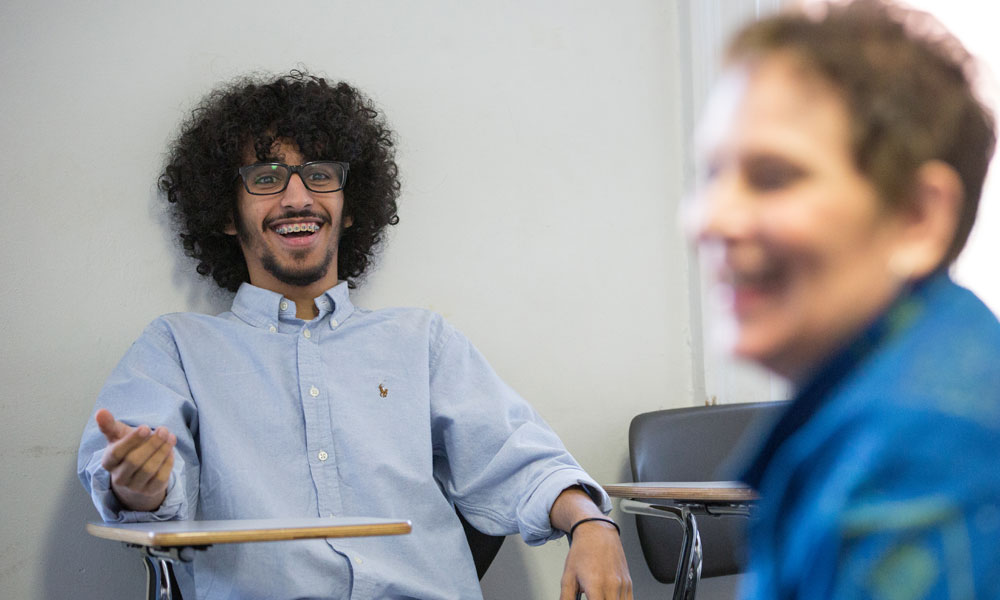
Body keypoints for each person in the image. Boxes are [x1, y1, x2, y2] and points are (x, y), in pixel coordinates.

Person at [77, 71, 631, 600]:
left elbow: (518, 459)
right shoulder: (176, 349)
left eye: (319, 175)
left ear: (347, 207)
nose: (298, 198)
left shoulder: (422, 341)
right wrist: (140, 486)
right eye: (266, 178)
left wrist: (592, 524)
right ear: (227, 213)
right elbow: (135, 481)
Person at [688, 1, 1000, 598]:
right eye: (709, 175)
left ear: (917, 216)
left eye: (773, 176)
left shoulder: (920, 459)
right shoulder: (920, 375)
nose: (711, 219)